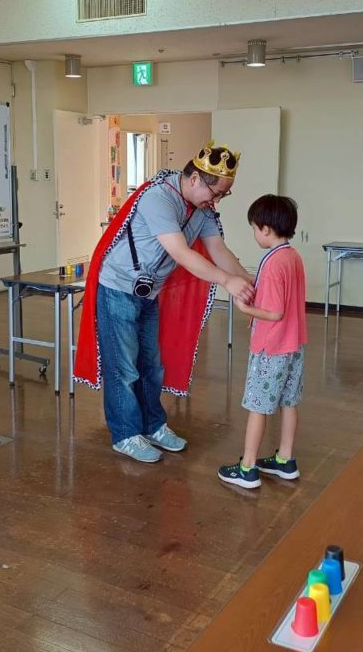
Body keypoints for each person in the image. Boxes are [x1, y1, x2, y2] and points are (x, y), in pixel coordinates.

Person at [75, 142, 255, 463]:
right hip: (117, 287)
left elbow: (219, 250)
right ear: (196, 179)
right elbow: (180, 253)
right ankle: (125, 434)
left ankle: (152, 425)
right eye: (216, 193)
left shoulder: (202, 210)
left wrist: (251, 284)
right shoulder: (158, 197)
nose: (216, 202)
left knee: (152, 365)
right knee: (124, 367)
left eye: (223, 196)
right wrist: (227, 281)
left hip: (148, 293)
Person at [218, 195, 307, 489]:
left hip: (272, 348)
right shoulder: (292, 256)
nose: (254, 233)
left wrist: (245, 308)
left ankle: (247, 468)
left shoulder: (272, 264)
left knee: (258, 406)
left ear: (266, 229)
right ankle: (285, 460)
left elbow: (274, 312)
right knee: (289, 402)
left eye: (254, 228)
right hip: (294, 344)